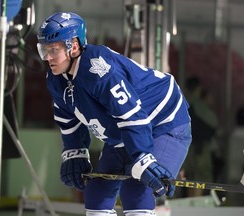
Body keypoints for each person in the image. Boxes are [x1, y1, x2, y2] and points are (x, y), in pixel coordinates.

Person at [36, 12, 192, 216]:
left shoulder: (97, 69)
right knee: (97, 193)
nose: (47, 57)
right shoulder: (56, 78)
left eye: (53, 49)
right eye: (44, 50)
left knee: (137, 190)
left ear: (73, 46)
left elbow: (131, 113)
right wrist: (75, 151)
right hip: (125, 131)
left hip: (164, 122)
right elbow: (68, 118)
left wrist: (142, 157)